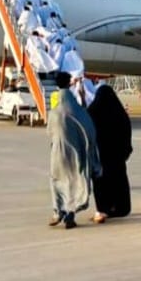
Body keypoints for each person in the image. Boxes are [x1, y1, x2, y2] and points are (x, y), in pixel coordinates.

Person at [47, 70, 101, 229]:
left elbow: (50, 132)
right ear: (69, 84)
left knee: (57, 181)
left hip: (58, 153)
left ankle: (58, 211)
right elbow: (89, 129)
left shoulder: (54, 111)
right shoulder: (77, 110)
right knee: (74, 182)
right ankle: (70, 213)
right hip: (76, 153)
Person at [86, 84, 132, 223]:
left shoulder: (92, 112)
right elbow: (127, 132)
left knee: (101, 183)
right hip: (117, 155)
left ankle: (103, 209)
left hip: (100, 154)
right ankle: (121, 208)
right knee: (119, 181)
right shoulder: (120, 113)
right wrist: (126, 150)